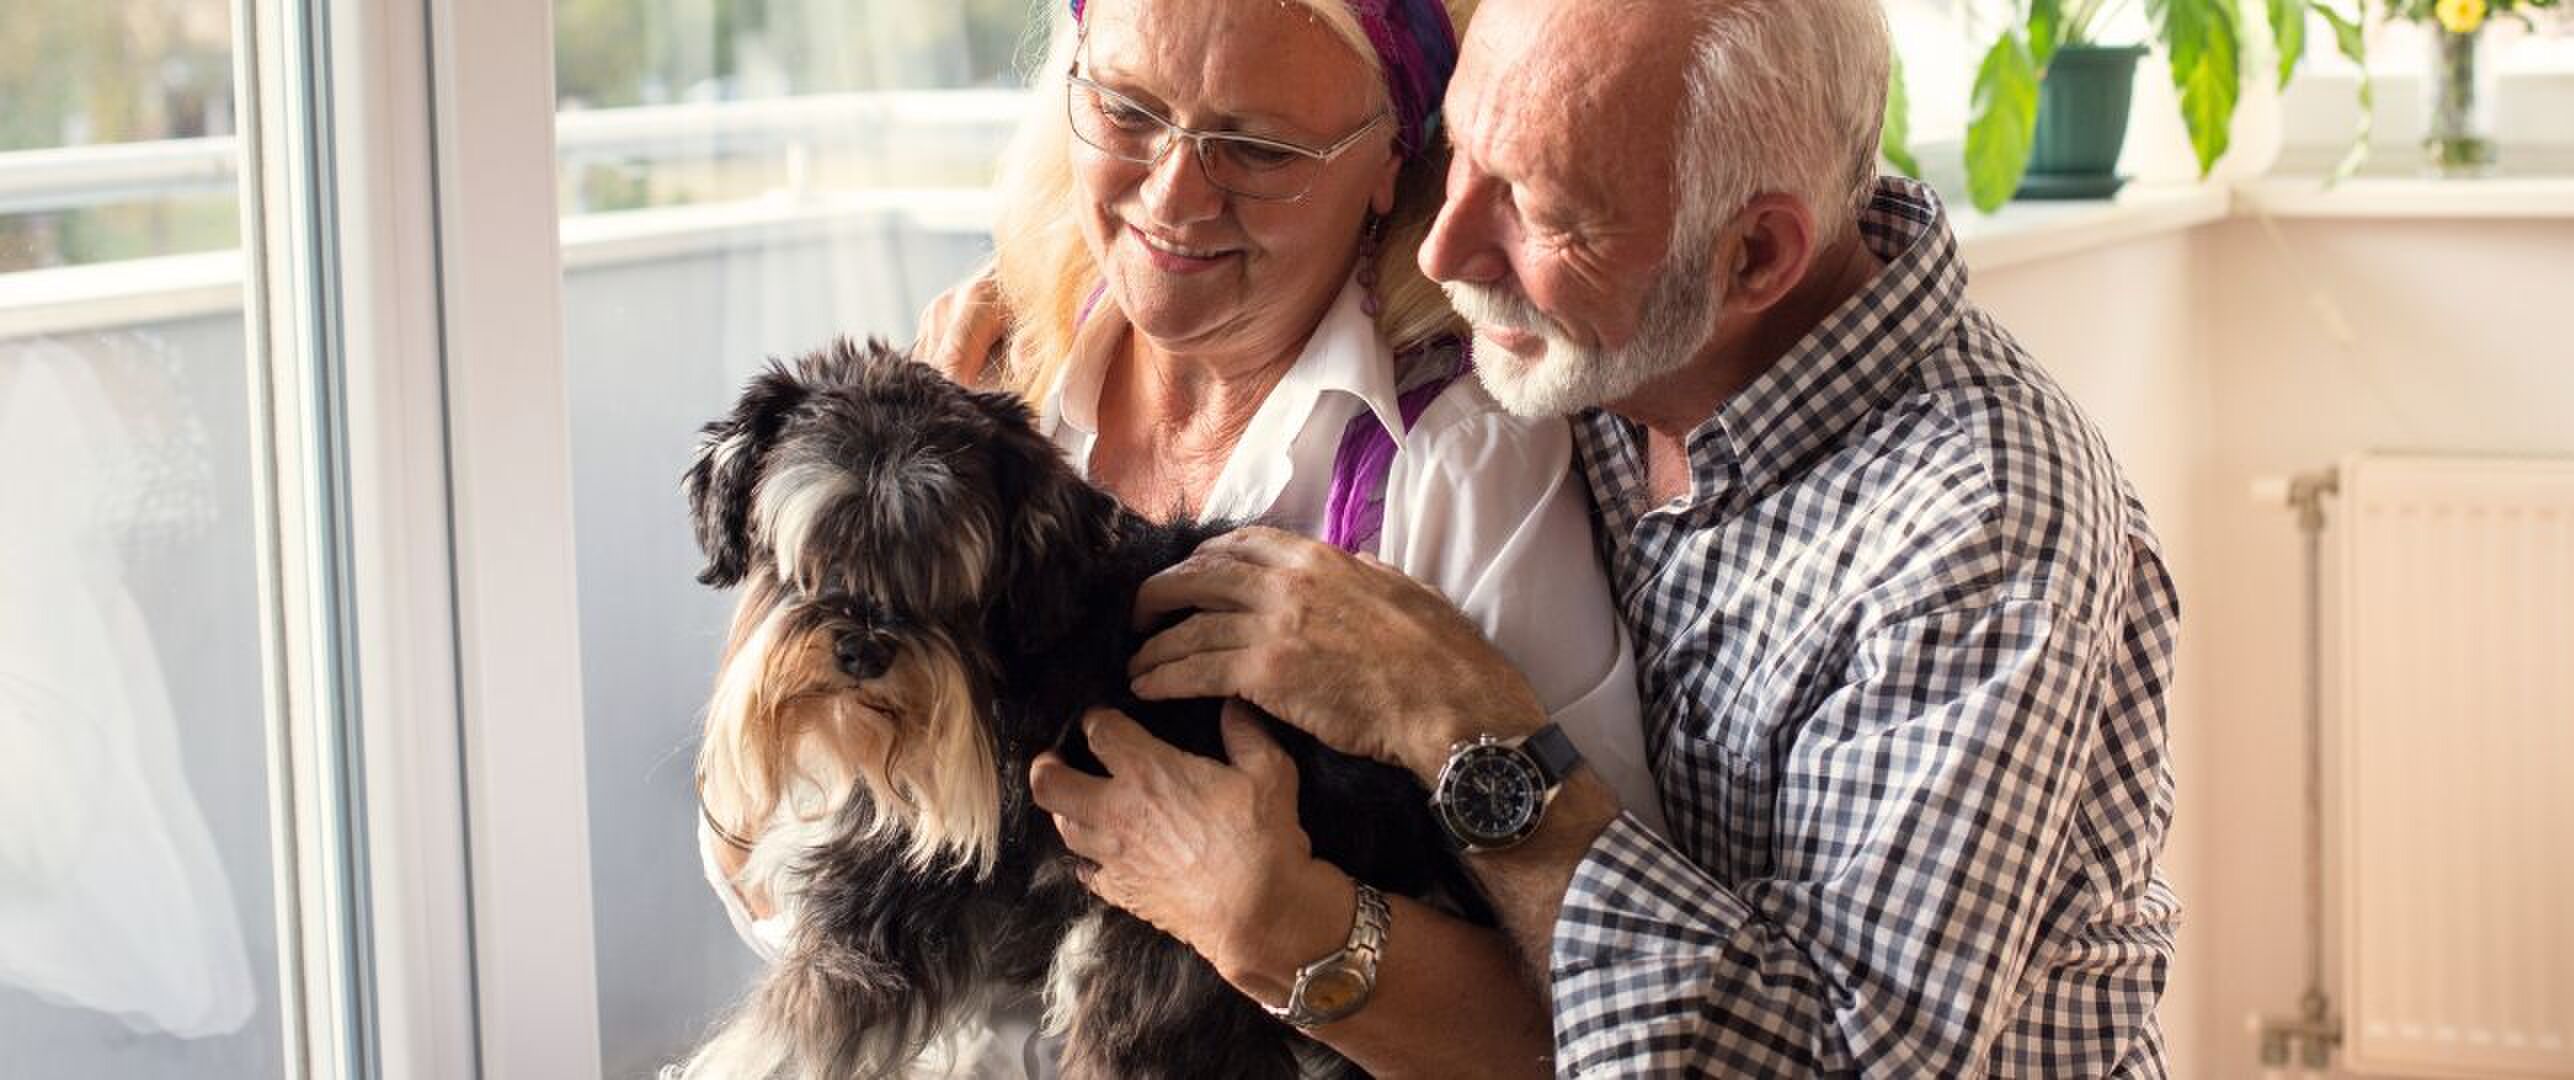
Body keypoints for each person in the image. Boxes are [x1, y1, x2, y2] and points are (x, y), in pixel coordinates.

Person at [1095, 0, 2184, 1074]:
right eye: (1459, 155)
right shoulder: (1615, 349)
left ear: (1756, 256)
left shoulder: (1980, 535)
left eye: (1537, 210)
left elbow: (1837, 1063)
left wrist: (1462, 723)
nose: (1443, 251)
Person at [697, 0, 1663, 1074]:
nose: (1174, 196)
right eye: (1127, 109)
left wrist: (1286, 923)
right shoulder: (982, 377)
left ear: (1393, 160)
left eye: (1260, 148)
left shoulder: (1459, 467)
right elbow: (771, 867)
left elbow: (1609, 1003)